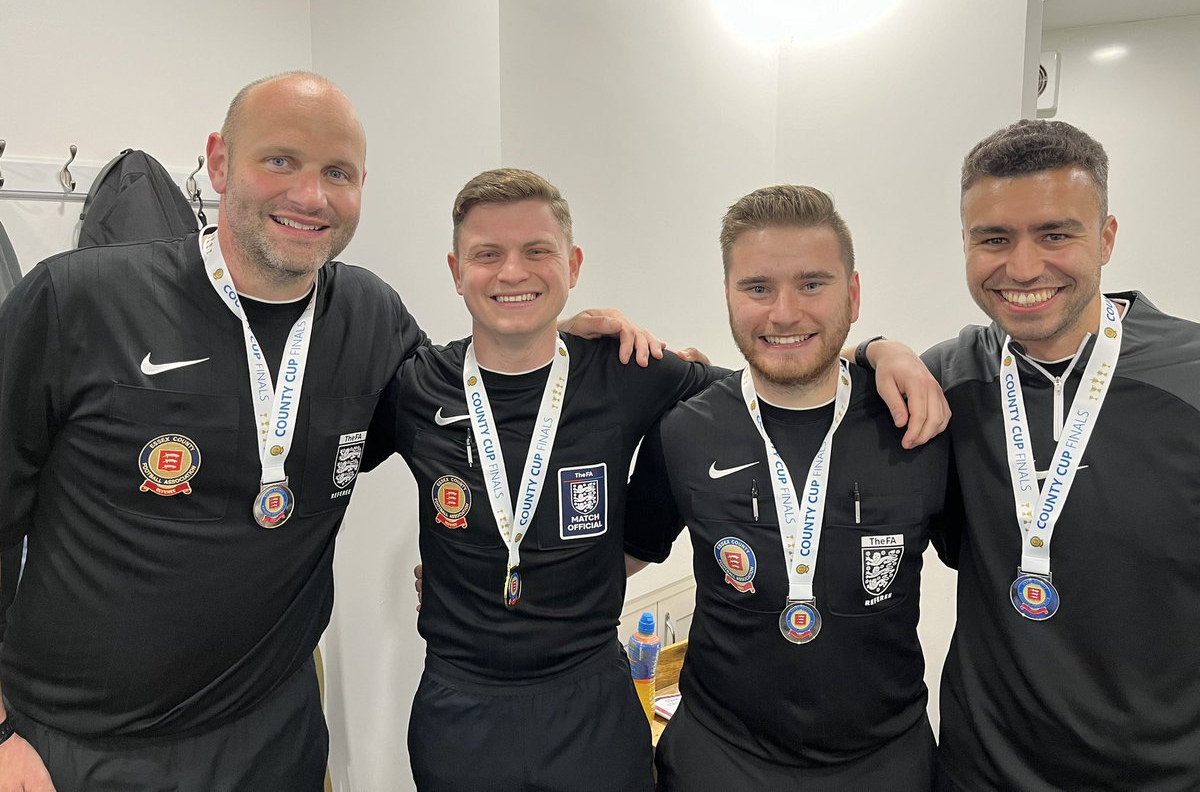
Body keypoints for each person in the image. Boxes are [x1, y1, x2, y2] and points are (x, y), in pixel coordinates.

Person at [0, 74, 649, 792]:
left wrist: (562, 344)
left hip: (275, 736)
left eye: (337, 172)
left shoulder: (370, 316)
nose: (311, 196)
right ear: (219, 162)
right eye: (280, 160)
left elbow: (474, 418)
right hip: (75, 746)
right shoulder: (78, 299)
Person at [362, 168, 729, 792]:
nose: (512, 272)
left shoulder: (625, 369)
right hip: (460, 706)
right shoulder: (415, 385)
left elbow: (741, 404)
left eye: (537, 251)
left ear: (573, 263)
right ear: (455, 270)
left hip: (590, 702)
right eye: (487, 254)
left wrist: (641, 539)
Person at [872, 119, 1200, 791]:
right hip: (979, 772)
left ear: (1106, 238)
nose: (1022, 268)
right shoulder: (946, 378)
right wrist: (880, 347)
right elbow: (810, 379)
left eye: (1056, 234)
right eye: (994, 239)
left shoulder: (1190, 379)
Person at [622, 185, 950, 790]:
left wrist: (881, 349)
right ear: (728, 295)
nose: (783, 312)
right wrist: (473, 572)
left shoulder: (918, 424)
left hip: (884, 762)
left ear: (853, 293)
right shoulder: (685, 429)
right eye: (757, 288)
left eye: (811, 283)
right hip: (717, 759)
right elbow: (615, 559)